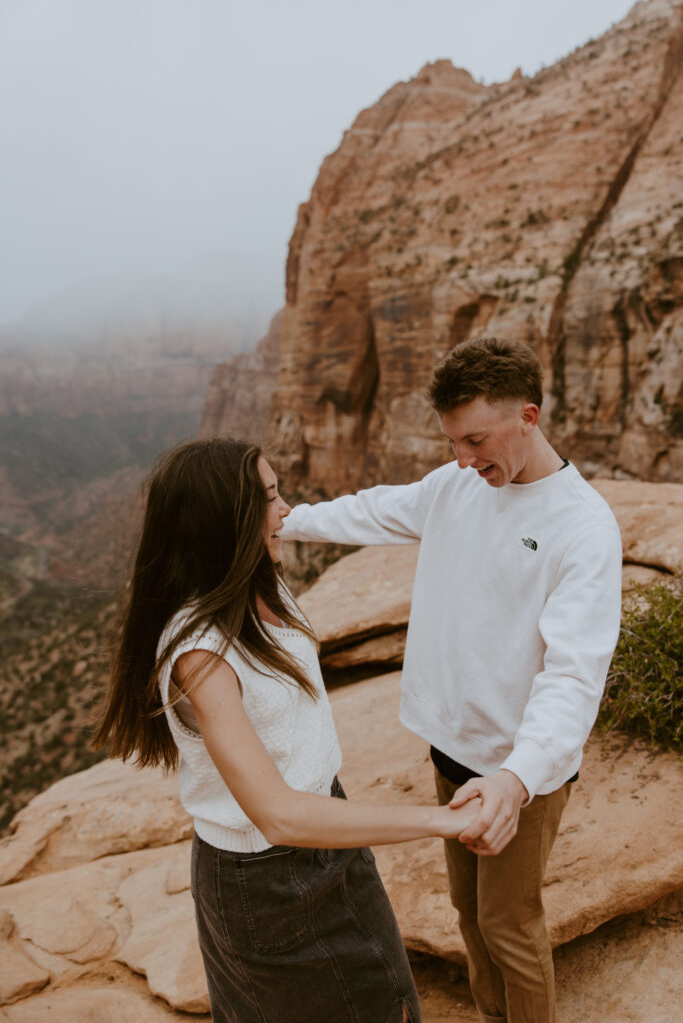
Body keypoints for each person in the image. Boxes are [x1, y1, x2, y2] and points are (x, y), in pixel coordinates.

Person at [282, 336, 623, 1023]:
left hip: (517, 772)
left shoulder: (582, 528)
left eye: (475, 439)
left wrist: (515, 777)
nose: (464, 460)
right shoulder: (456, 484)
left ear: (526, 416)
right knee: (468, 915)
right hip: (450, 749)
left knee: (508, 923)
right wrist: (287, 519)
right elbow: (376, 510)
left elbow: (572, 676)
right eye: (453, 444)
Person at [92, 437, 483, 1023]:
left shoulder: (261, 584)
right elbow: (277, 814)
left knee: (391, 1002)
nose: (286, 511)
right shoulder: (201, 655)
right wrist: (442, 822)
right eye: (271, 499)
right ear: (228, 520)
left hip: (330, 832)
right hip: (266, 878)